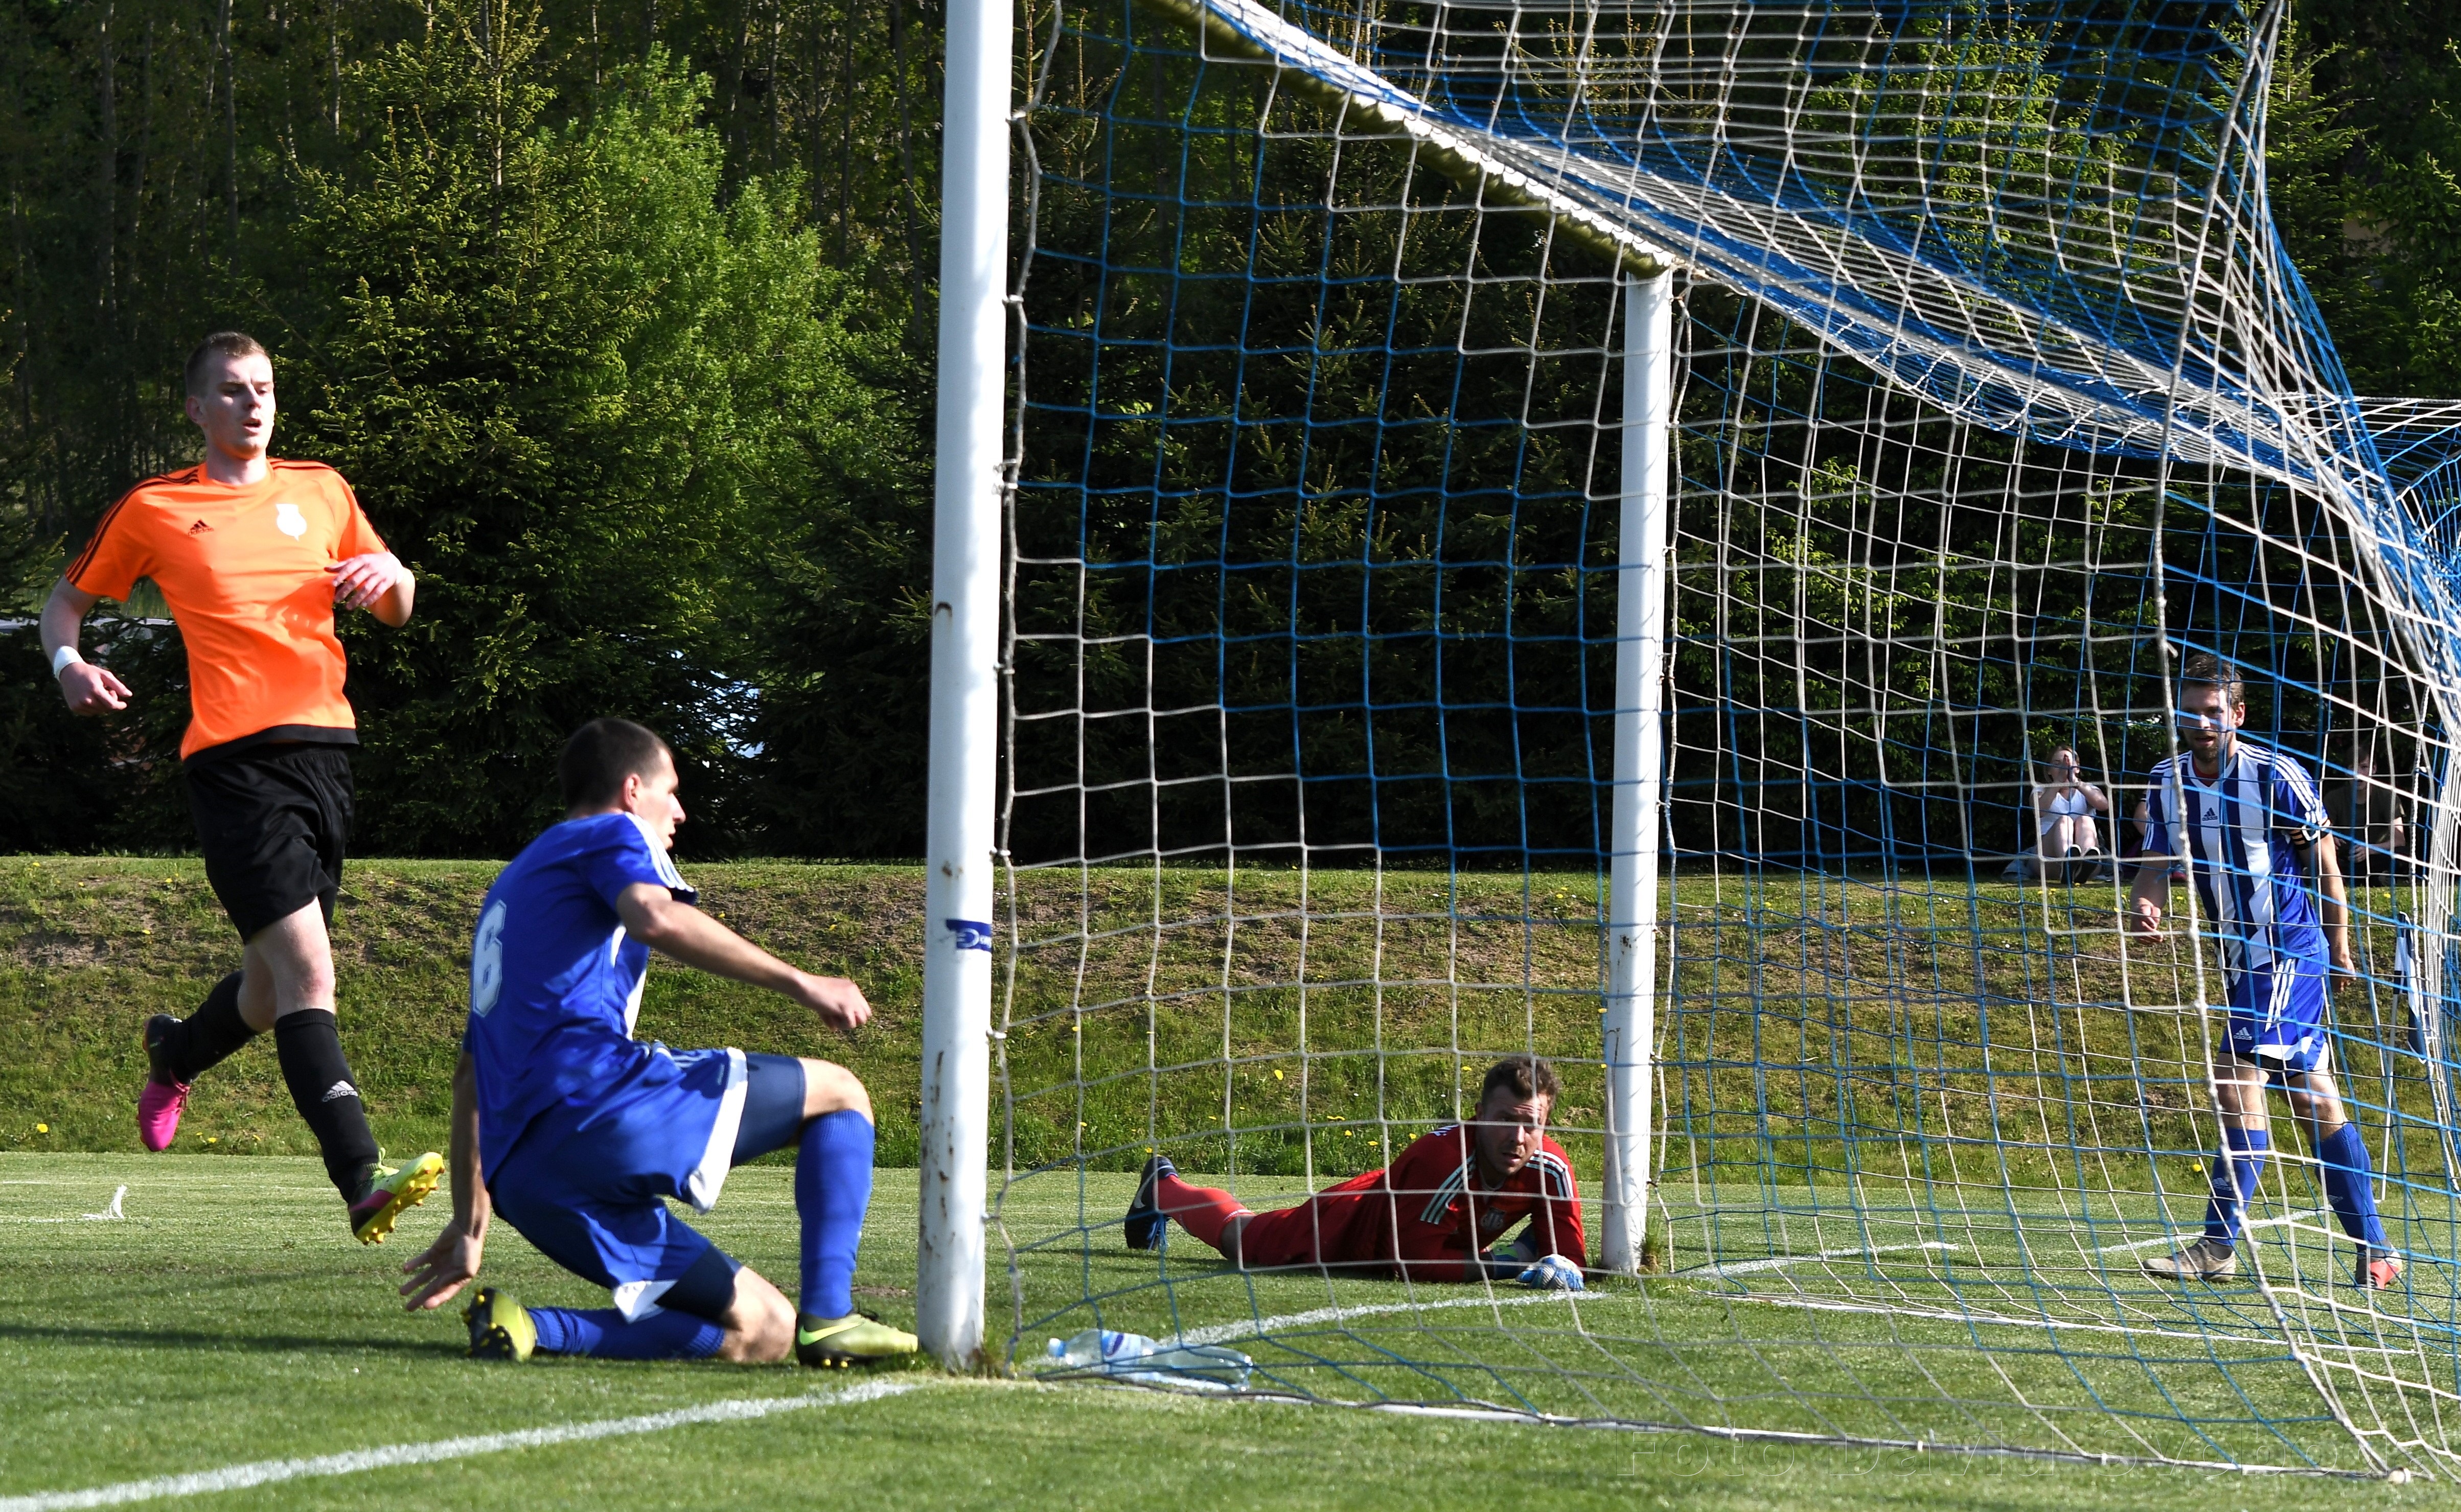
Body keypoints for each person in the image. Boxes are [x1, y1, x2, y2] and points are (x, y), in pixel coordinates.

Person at [39, 331, 441, 1244]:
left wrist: (398, 577)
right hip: (233, 762)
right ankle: (360, 1176)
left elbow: (394, 602)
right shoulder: (155, 506)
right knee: (307, 971)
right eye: (230, 390)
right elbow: (66, 603)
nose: (252, 403)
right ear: (195, 408)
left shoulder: (323, 488)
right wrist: (68, 660)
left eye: (263, 387)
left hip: (328, 752)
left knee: (268, 988)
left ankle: (177, 1048)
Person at [398, 718, 917, 1367]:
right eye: (671, 791)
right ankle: (833, 1314)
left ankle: (534, 1327)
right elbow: (653, 914)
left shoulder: (512, 888)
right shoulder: (612, 831)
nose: (680, 810)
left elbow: (469, 1079)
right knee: (841, 1093)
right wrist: (803, 982)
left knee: (763, 1330)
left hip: (528, 1181)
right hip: (594, 1104)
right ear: (632, 788)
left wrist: (472, 1225)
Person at [2130, 655, 2400, 1290]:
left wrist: (2340, 946)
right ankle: (2377, 1248)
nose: (2201, 722)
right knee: (2313, 1101)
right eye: (2191, 711)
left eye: (2213, 712)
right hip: (2238, 958)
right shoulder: (2167, 779)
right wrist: (2146, 903)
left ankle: (2217, 1244)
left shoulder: (2275, 774)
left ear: (2238, 715)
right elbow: (2157, 863)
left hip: (2289, 950)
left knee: (2234, 1077)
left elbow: (2326, 862)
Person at [1123, 1057, 1586, 1287]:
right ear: (1479, 1113)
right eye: (1506, 1120)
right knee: (1240, 1239)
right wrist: (1512, 1262)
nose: (1518, 1136)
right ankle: (1164, 1187)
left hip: (1419, 1239)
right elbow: (1415, 1264)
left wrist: (1548, 1261)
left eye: (1532, 1124)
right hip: (1353, 1223)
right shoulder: (1440, 1160)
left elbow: (1570, 1259)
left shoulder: (1552, 1168)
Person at [2327, 747, 2408, 890]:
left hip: (2377, 854)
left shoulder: (2387, 796)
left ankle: (2381, 877)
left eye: (2364, 767)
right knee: (2323, 853)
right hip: (2347, 855)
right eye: (2353, 768)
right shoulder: (2334, 798)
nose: (2358, 774)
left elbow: (2400, 840)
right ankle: (2348, 877)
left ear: (2374, 769)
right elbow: (2321, 830)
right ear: (2346, 772)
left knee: (2402, 855)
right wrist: (2330, 836)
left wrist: (2369, 850)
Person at [2031, 747, 2110, 881]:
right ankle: (2066, 864)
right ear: (2049, 770)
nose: (2064, 767)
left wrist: (2076, 783)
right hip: (2048, 861)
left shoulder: (2088, 788)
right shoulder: (2040, 790)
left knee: (2085, 820)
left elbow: (2103, 805)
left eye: (2068, 763)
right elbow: (2039, 811)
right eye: (2057, 764)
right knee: (2065, 821)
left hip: (2090, 861)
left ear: (2077, 768)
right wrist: (2058, 783)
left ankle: (2085, 864)